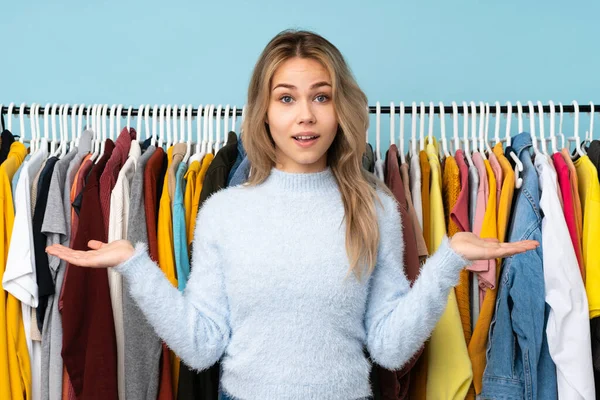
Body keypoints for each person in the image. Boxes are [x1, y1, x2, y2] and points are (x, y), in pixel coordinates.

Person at [46, 29, 538, 400]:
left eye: (320, 97)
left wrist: (448, 261)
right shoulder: (224, 212)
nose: (305, 115)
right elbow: (200, 346)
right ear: (264, 112)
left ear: (340, 108)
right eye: (286, 98)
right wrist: (134, 263)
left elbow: (388, 348)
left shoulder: (374, 209)